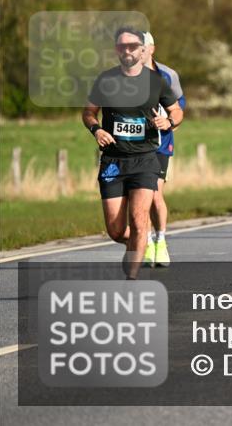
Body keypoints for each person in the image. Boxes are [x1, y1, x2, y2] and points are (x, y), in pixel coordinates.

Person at [83, 27, 183, 279]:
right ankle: (141, 244)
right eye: (121, 46)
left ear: (142, 49)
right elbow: (88, 112)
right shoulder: (105, 80)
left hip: (145, 160)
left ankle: (132, 279)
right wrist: (96, 130)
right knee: (116, 231)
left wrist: (169, 122)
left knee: (139, 222)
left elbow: (177, 111)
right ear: (117, 50)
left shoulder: (156, 81)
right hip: (113, 161)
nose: (127, 51)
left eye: (132, 46)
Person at [140, 32, 185, 268]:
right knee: (140, 195)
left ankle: (161, 240)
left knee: (155, 195)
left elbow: (179, 108)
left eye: (142, 47)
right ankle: (146, 243)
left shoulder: (167, 75)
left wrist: (169, 122)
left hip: (161, 142)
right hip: (135, 145)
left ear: (152, 48)